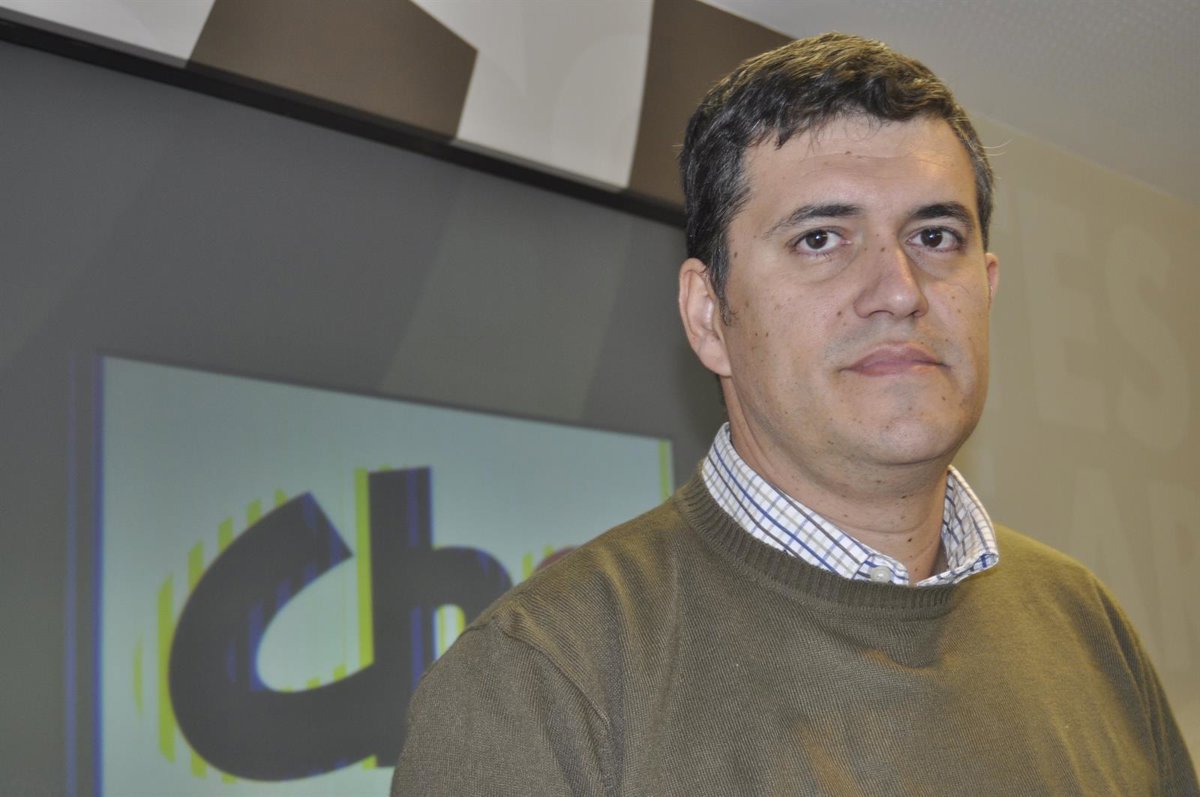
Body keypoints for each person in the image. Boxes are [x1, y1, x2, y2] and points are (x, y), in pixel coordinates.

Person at [391, 33, 1197, 795]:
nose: (899, 291)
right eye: (820, 239)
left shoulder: (1089, 627)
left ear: (986, 288)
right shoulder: (542, 678)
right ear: (709, 315)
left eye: (934, 235)